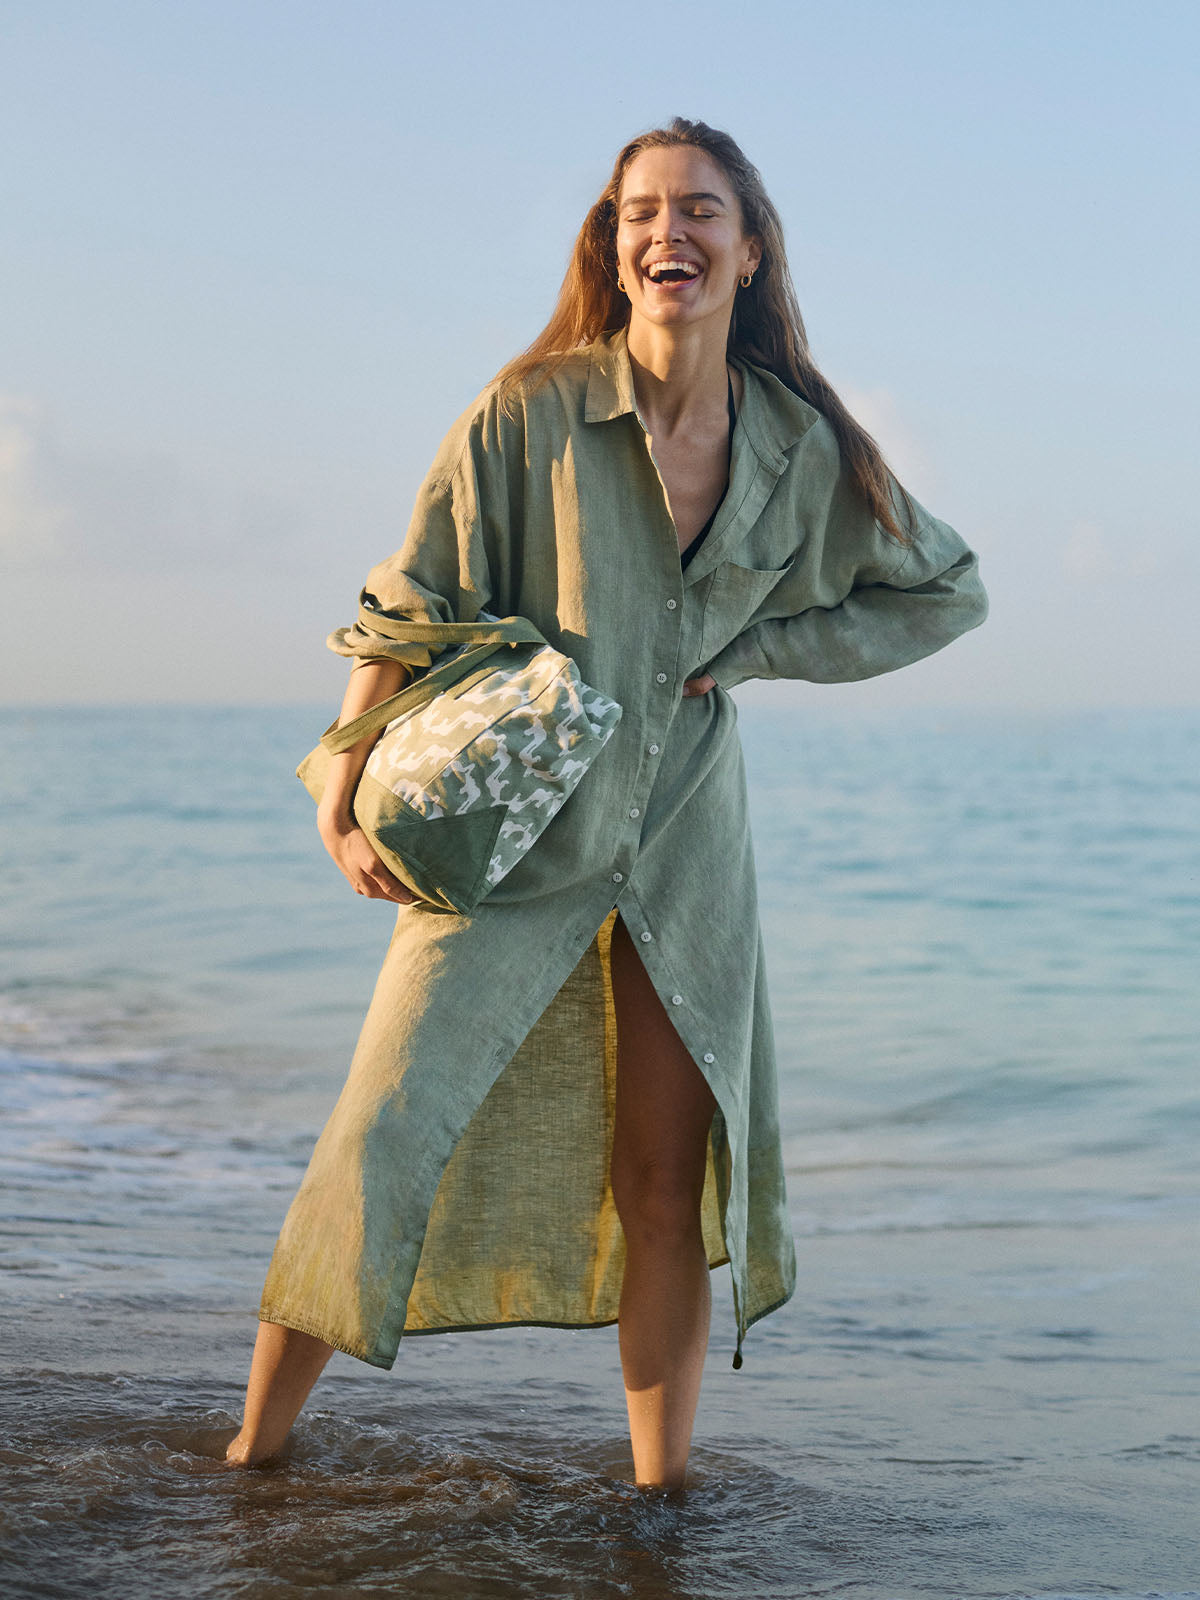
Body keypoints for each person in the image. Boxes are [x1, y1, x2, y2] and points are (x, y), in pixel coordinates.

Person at [225, 117, 987, 1489]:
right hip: (515, 832)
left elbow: (945, 590)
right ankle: (248, 1453)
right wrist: (337, 796)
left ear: (749, 253)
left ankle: (664, 1497)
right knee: (379, 1131)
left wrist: (752, 651)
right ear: (613, 245)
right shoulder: (529, 413)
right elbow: (407, 603)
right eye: (641, 212)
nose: (667, 233)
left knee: (660, 1185)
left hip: (688, 846)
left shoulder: (803, 448)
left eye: (700, 211)